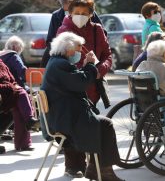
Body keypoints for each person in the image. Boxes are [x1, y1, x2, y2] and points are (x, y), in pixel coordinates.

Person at [41, 32, 123, 180]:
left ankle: (95, 168)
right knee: (106, 124)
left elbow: (75, 80)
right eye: (78, 48)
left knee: (100, 123)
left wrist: (86, 67)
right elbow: (81, 83)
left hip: (62, 115)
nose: (80, 52)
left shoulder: (56, 62)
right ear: (68, 48)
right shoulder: (60, 64)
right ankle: (103, 171)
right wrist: (90, 65)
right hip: (64, 119)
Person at [56, 0, 112, 178]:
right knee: (75, 127)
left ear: (90, 14)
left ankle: (90, 167)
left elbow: (107, 55)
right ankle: (75, 166)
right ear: (70, 13)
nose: (80, 16)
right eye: (76, 12)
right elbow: (62, 61)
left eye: (84, 12)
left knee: (86, 126)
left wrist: (98, 69)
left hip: (92, 86)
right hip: (72, 89)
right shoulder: (64, 31)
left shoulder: (97, 30)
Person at [40, 0, 102, 67]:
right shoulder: (56, 16)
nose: (69, 14)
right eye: (66, 11)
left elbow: (102, 36)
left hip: (89, 55)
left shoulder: (89, 13)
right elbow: (51, 39)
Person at [0, 59, 39, 151]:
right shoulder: (12, 56)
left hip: (5, 92)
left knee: (20, 106)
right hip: (3, 92)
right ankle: (29, 121)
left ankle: (23, 143)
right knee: (21, 94)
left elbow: (11, 79)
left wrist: (13, 85)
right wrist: (11, 86)